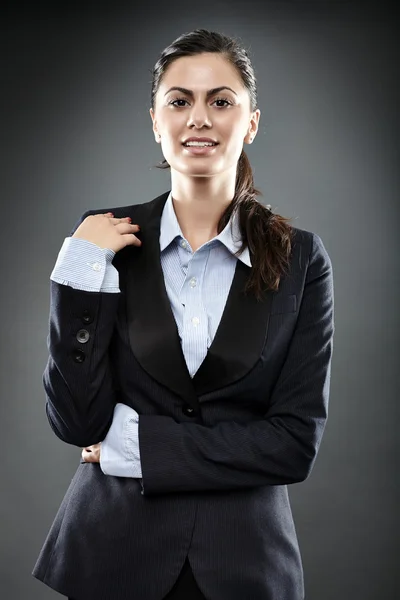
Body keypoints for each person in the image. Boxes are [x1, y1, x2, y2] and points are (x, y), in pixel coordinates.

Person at [32, 28, 334, 600]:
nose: (199, 118)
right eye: (179, 100)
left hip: (246, 564)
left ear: (250, 123)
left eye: (221, 101)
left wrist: (137, 446)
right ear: (155, 120)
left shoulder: (301, 259)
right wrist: (77, 268)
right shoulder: (101, 238)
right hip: (110, 558)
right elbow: (75, 422)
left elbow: (294, 443)